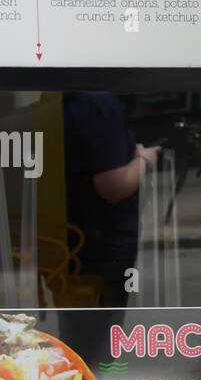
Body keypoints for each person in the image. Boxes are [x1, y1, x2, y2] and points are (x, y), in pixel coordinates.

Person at [63, 90, 161, 306]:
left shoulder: (79, 98)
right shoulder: (97, 101)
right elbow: (114, 185)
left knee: (84, 331)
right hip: (102, 245)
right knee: (101, 332)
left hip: (83, 241)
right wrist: (144, 159)